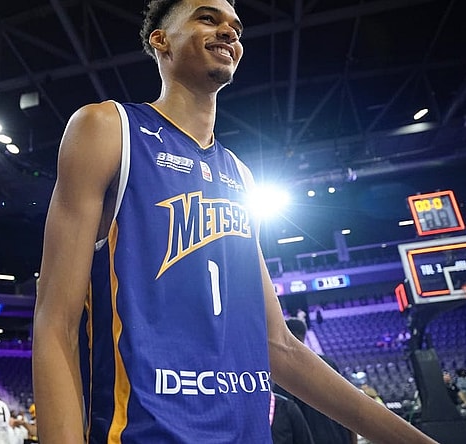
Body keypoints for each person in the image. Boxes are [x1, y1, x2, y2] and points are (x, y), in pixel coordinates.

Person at [31, 1, 438, 442]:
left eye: (236, 27)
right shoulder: (109, 128)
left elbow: (279, 347)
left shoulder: (240, 175)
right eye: (208, 18)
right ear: (160, 40)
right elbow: (56, 323)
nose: (228, 31)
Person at [275, 319, 353, 444]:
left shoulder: (282, 369)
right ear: (304, 335)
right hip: (338, 436)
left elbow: (284, 417)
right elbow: (348, 405)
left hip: (311, 437)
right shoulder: (328, 363)